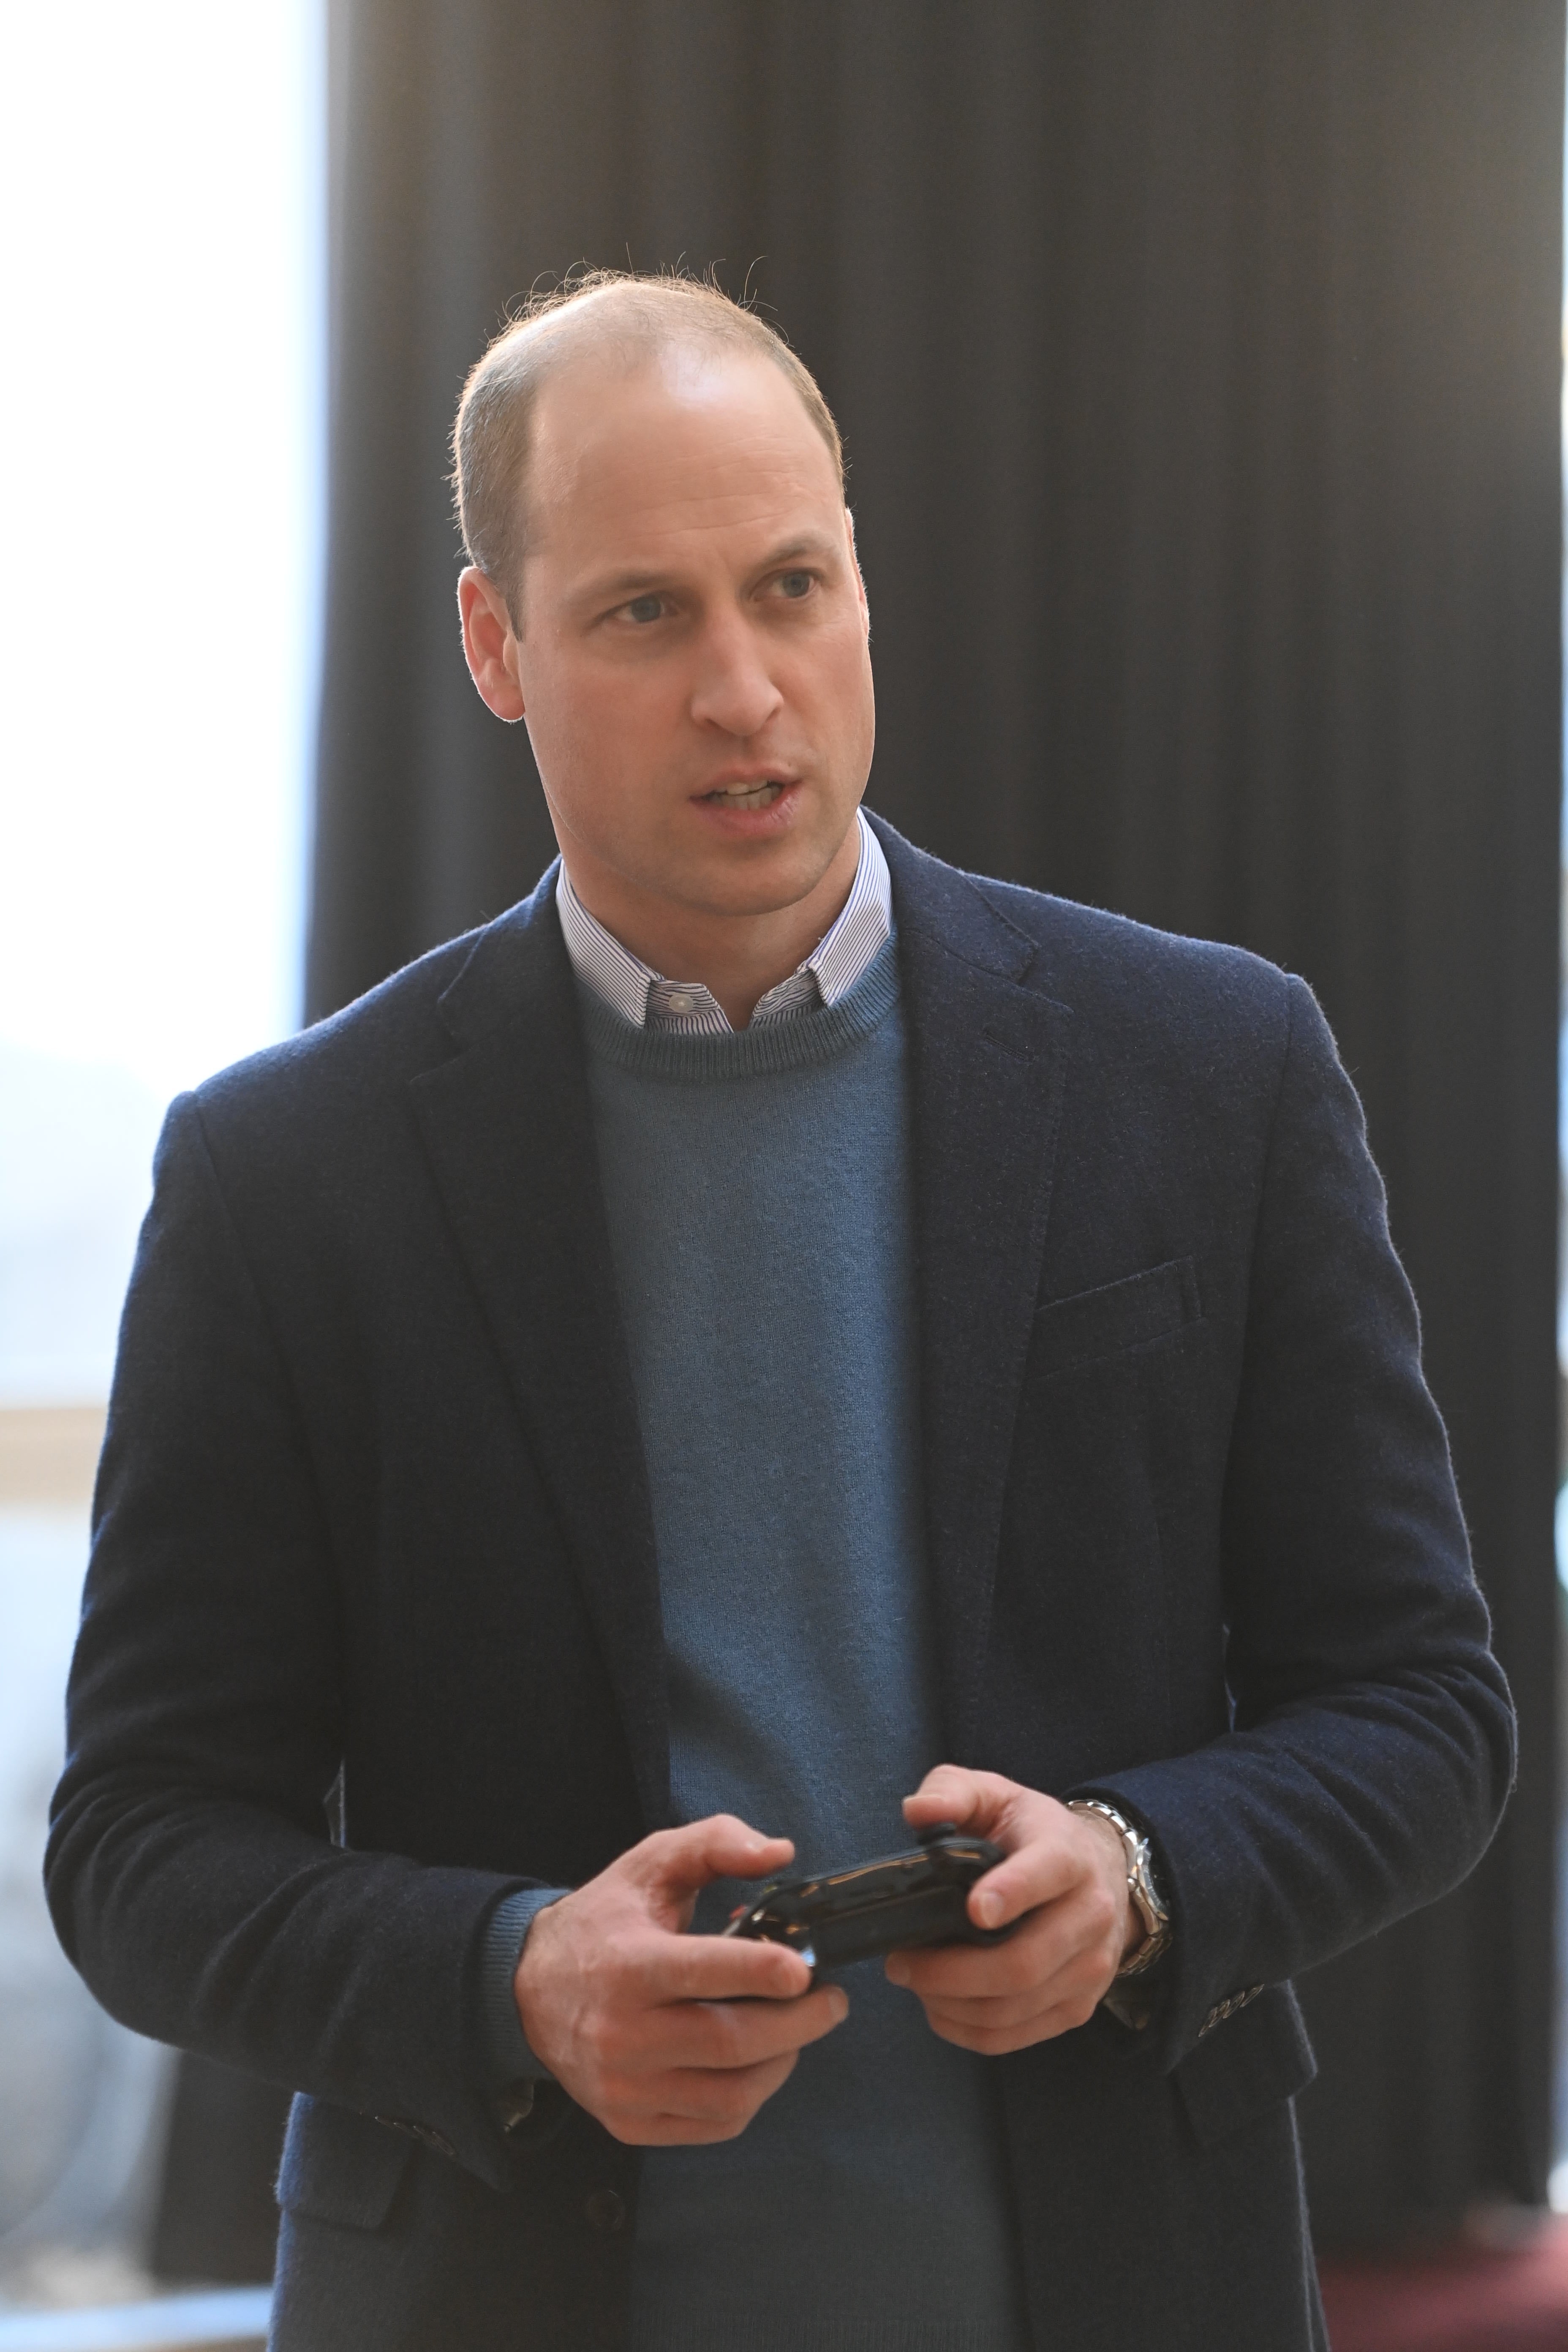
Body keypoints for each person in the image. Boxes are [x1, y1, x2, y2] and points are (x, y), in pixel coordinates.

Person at [46, 272, 1513, 2352]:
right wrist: (511, 1976)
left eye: (792, 586)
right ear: (496, 646)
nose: (745, 687)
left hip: (1113, 2289)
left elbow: (1422, 1711)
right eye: (645, 612)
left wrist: (1142, 1869)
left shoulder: (1213, 1067)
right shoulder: (290, 1172)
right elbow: (140, 1846)